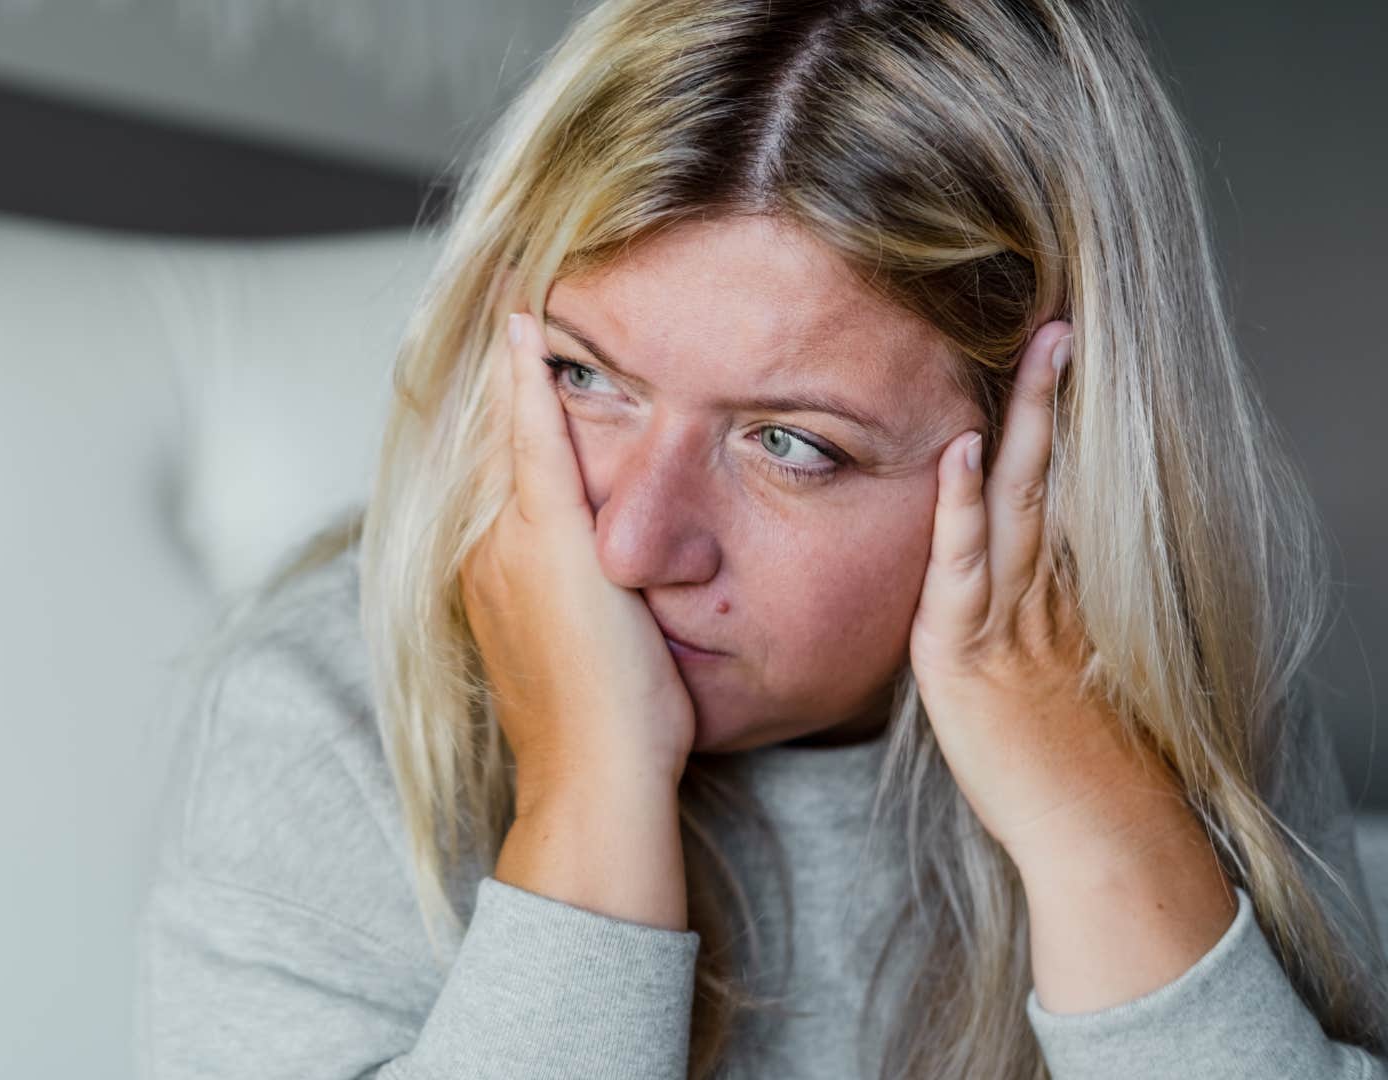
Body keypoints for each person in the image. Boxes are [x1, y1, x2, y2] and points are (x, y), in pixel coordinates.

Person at [134, 0, 1388, 1076]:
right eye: (584, 375)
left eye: (792, 443)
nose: (630, 543)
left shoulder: (1193, 710)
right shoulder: (323, 716)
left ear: (1047, 465)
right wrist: (586, 797)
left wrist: (1096, 818)